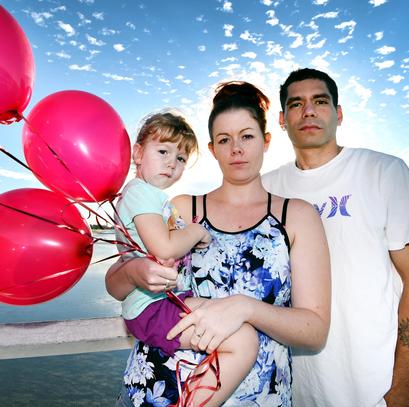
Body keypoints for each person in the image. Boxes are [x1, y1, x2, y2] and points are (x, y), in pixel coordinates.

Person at [107, 82, 331, 407]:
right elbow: (117, 284)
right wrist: (134, 272)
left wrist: (246, 307)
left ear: (266, 141)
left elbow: (315, 331)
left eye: (247, 136)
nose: (236, 149)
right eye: (224, 140)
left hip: (257, 396)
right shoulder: (183, 209)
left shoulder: (295, 216)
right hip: (156, 390)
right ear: (213, 149)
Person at [261, 67, 409, 407]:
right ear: (282, 120)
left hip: (373, 392)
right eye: (296, 104)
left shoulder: (385, 172)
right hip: (290, 392)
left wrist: (399, 393)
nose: (308, 110)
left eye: (320, 101)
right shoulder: (266, 189)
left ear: (338, 114)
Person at [114, 111, 260, 407]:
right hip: (152, 308)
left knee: (234, 333)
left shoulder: (150, 197)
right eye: (163, 151)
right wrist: (195, 232)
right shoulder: (142, 194)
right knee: (243, 342)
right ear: (138, 154)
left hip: (154, 304)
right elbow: (165, 248)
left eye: (181, 159)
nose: (172, 163)